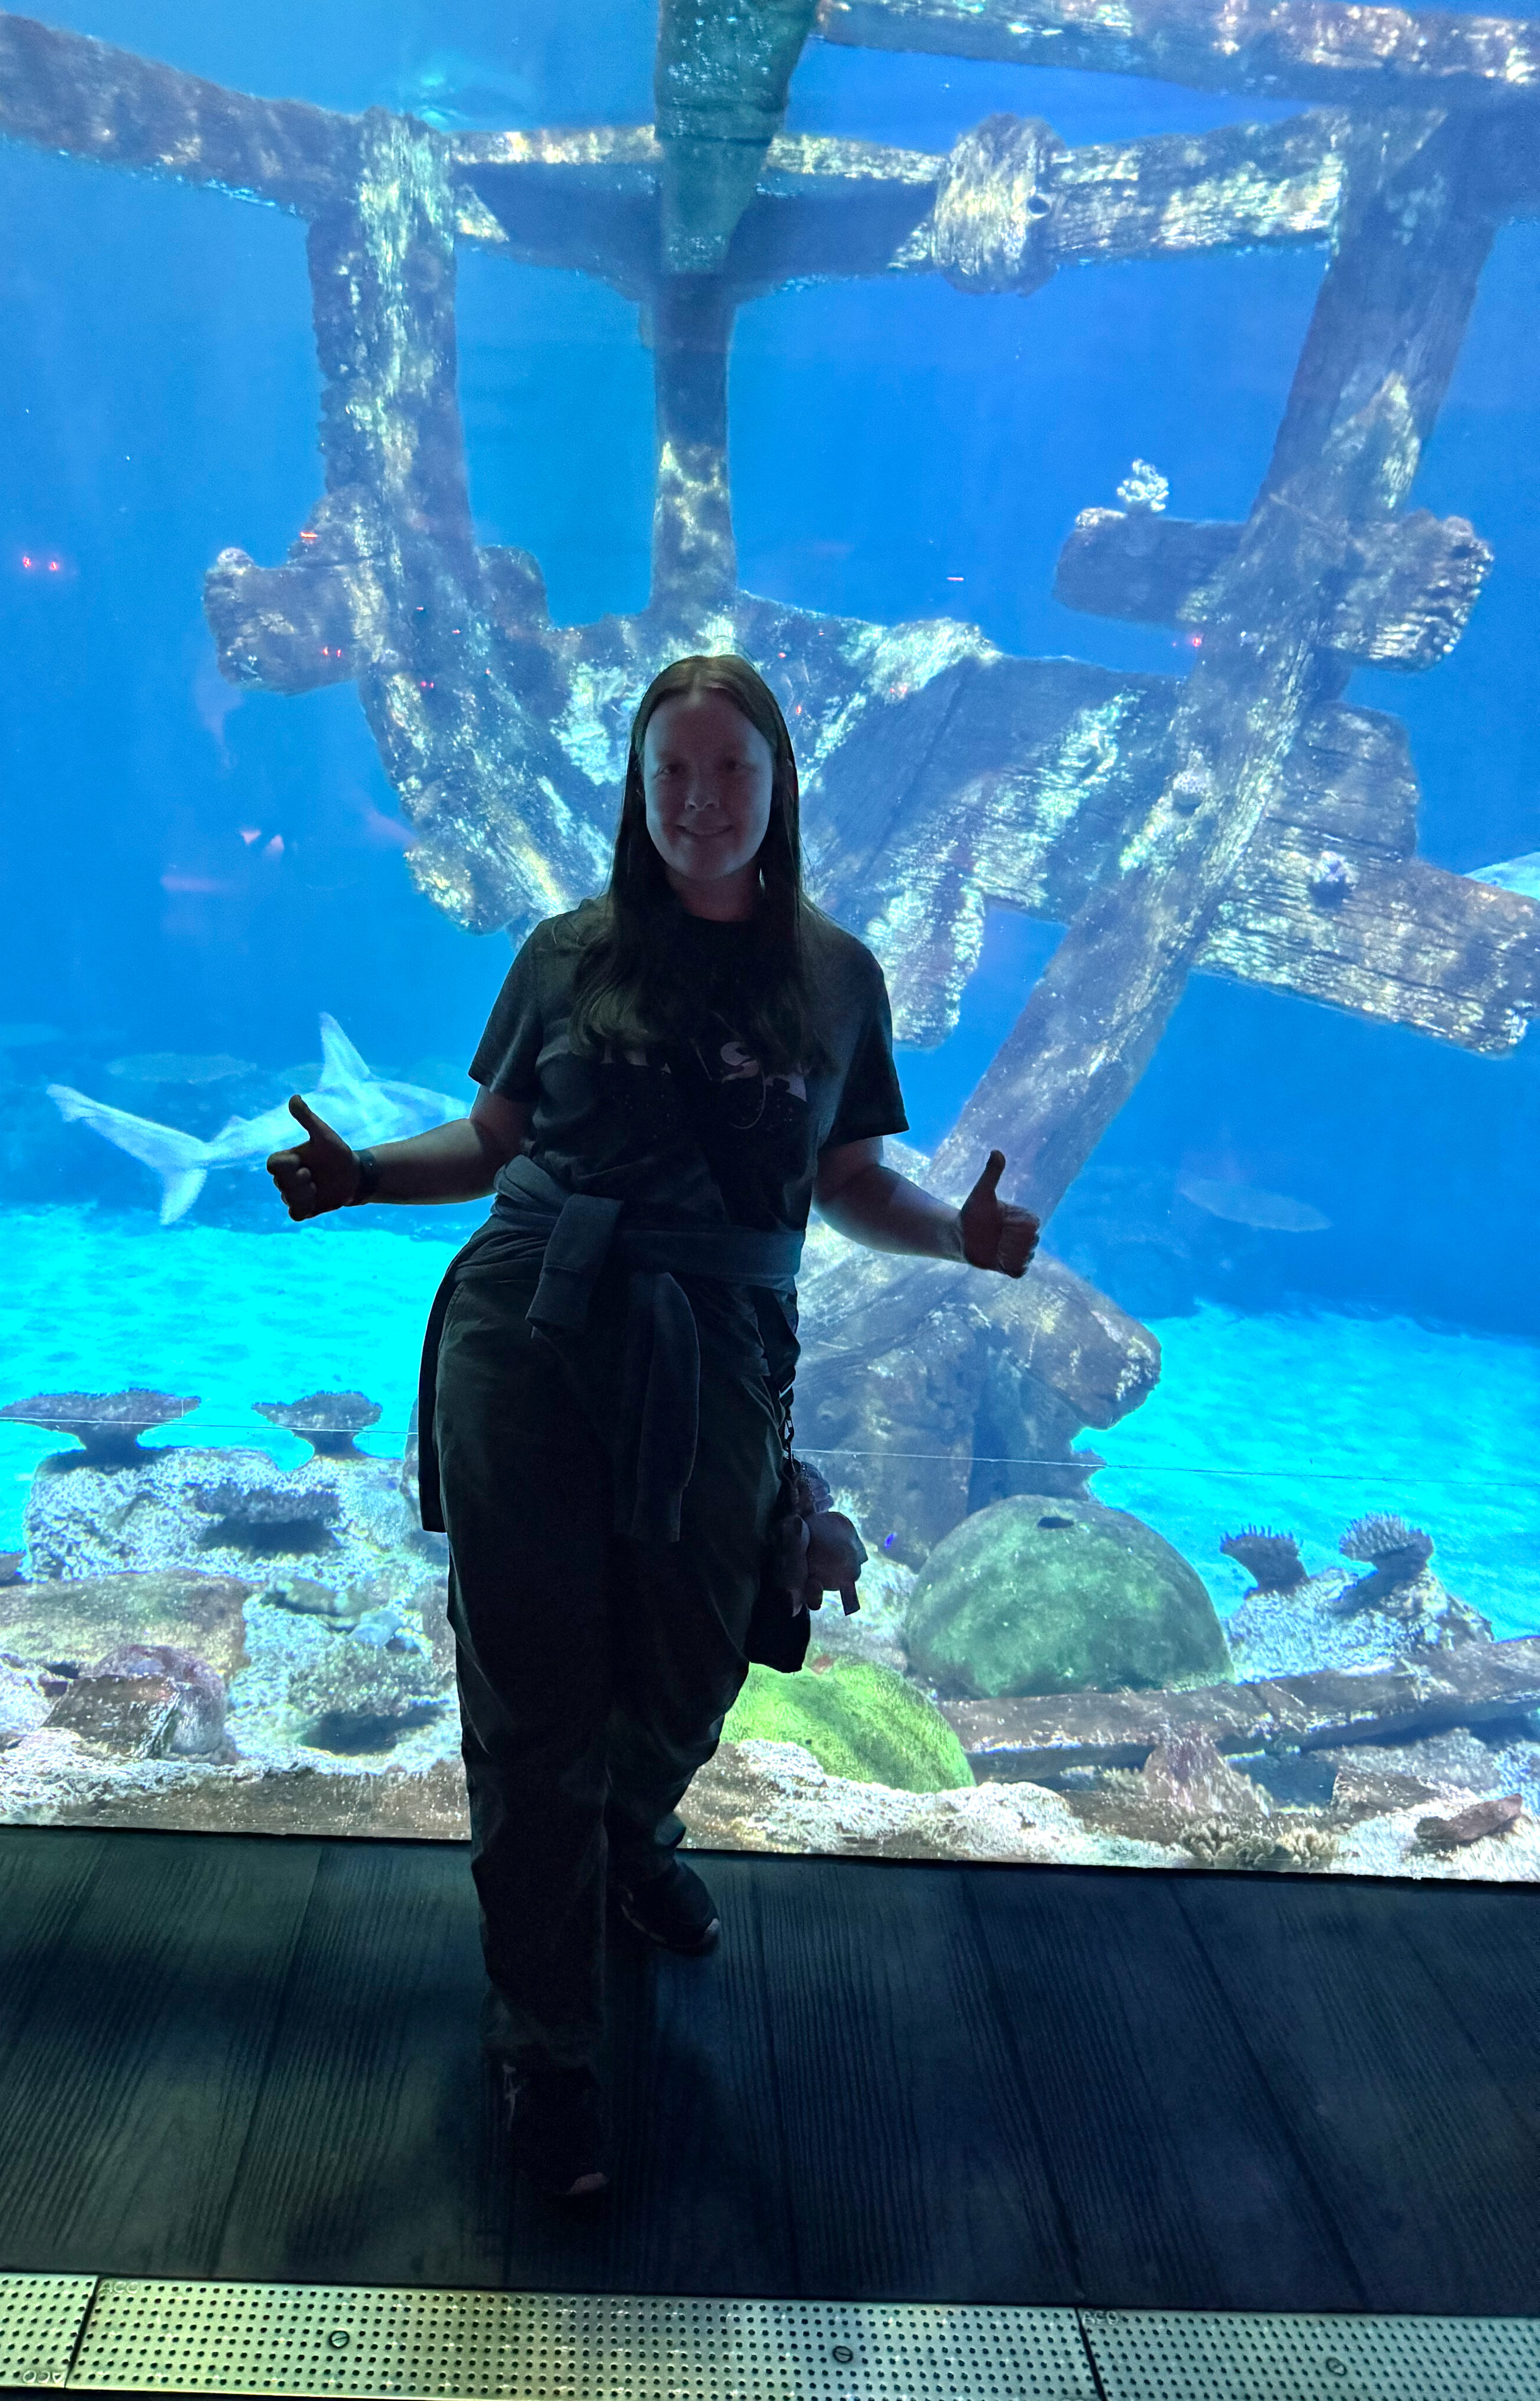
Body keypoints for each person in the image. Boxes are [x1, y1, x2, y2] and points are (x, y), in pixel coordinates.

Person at [267, 654, 1038, 2201]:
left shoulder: (836, 976)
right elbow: (494, 1144)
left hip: (726, 1353)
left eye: (729, 774)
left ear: (777, 792)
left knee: (701, 1647)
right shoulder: (566, 954)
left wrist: (960, 1236)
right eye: (671, 774)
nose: (698, 804)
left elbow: (845, 1185)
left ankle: (626, 1836)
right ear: (636, 787)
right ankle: (543, 2039)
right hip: (531, 1339)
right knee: (533, 1689)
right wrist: (362, 1176)